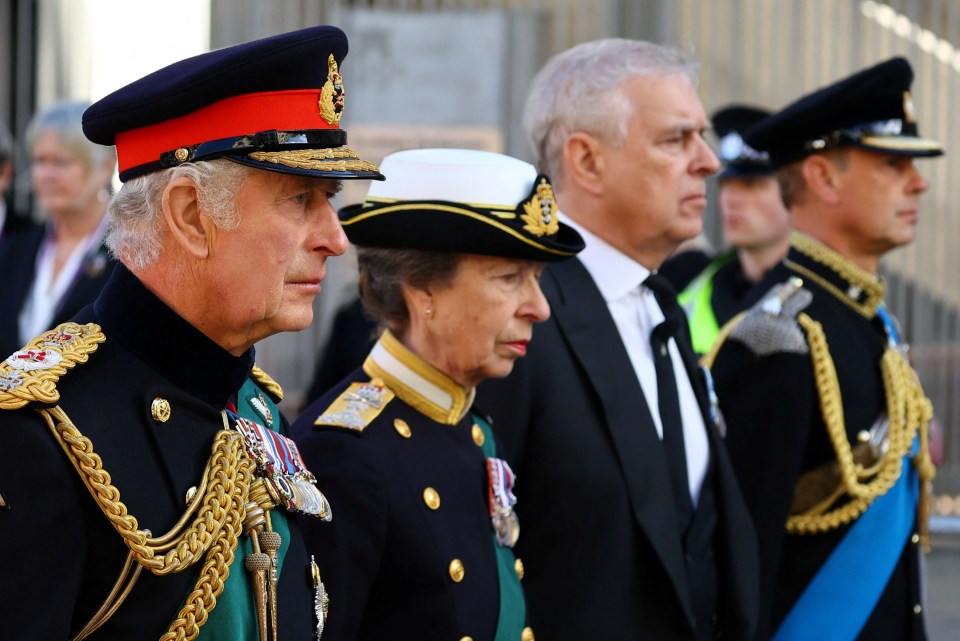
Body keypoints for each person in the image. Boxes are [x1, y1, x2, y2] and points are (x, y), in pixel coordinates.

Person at [0, 25, 382, 639]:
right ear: (188, 215)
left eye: (329, 198)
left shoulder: (250, 401)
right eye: (299, 199)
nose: (335, 238)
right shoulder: (36, 431)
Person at [475, 39, 759, 641]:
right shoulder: (521, 314)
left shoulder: (658, 304)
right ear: (587, 161)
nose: (708, 161)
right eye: (676, 140)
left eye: (701, 137)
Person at [292, 147, 584, 641]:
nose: (538, 308)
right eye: (509, 278)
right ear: (421, 289)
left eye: (536, 279)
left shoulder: (472, 426)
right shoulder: (344, 451)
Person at [704, 57, 941, 640]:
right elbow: (741, 566)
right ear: (823, 178)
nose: (919, 181)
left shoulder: (869, 324)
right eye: (893, 163)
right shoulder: (778, 340)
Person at [0, 100, 118, 357]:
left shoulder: (130, 254)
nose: (45, 174)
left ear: (104, 167)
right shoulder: (13, 249)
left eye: (61, 162)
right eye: (40, 161)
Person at [674, 105, 792, 354]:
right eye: (727, 183)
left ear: (793, 191)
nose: (730, 199)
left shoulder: (821, 294)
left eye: (751, 184)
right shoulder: (684, 281)